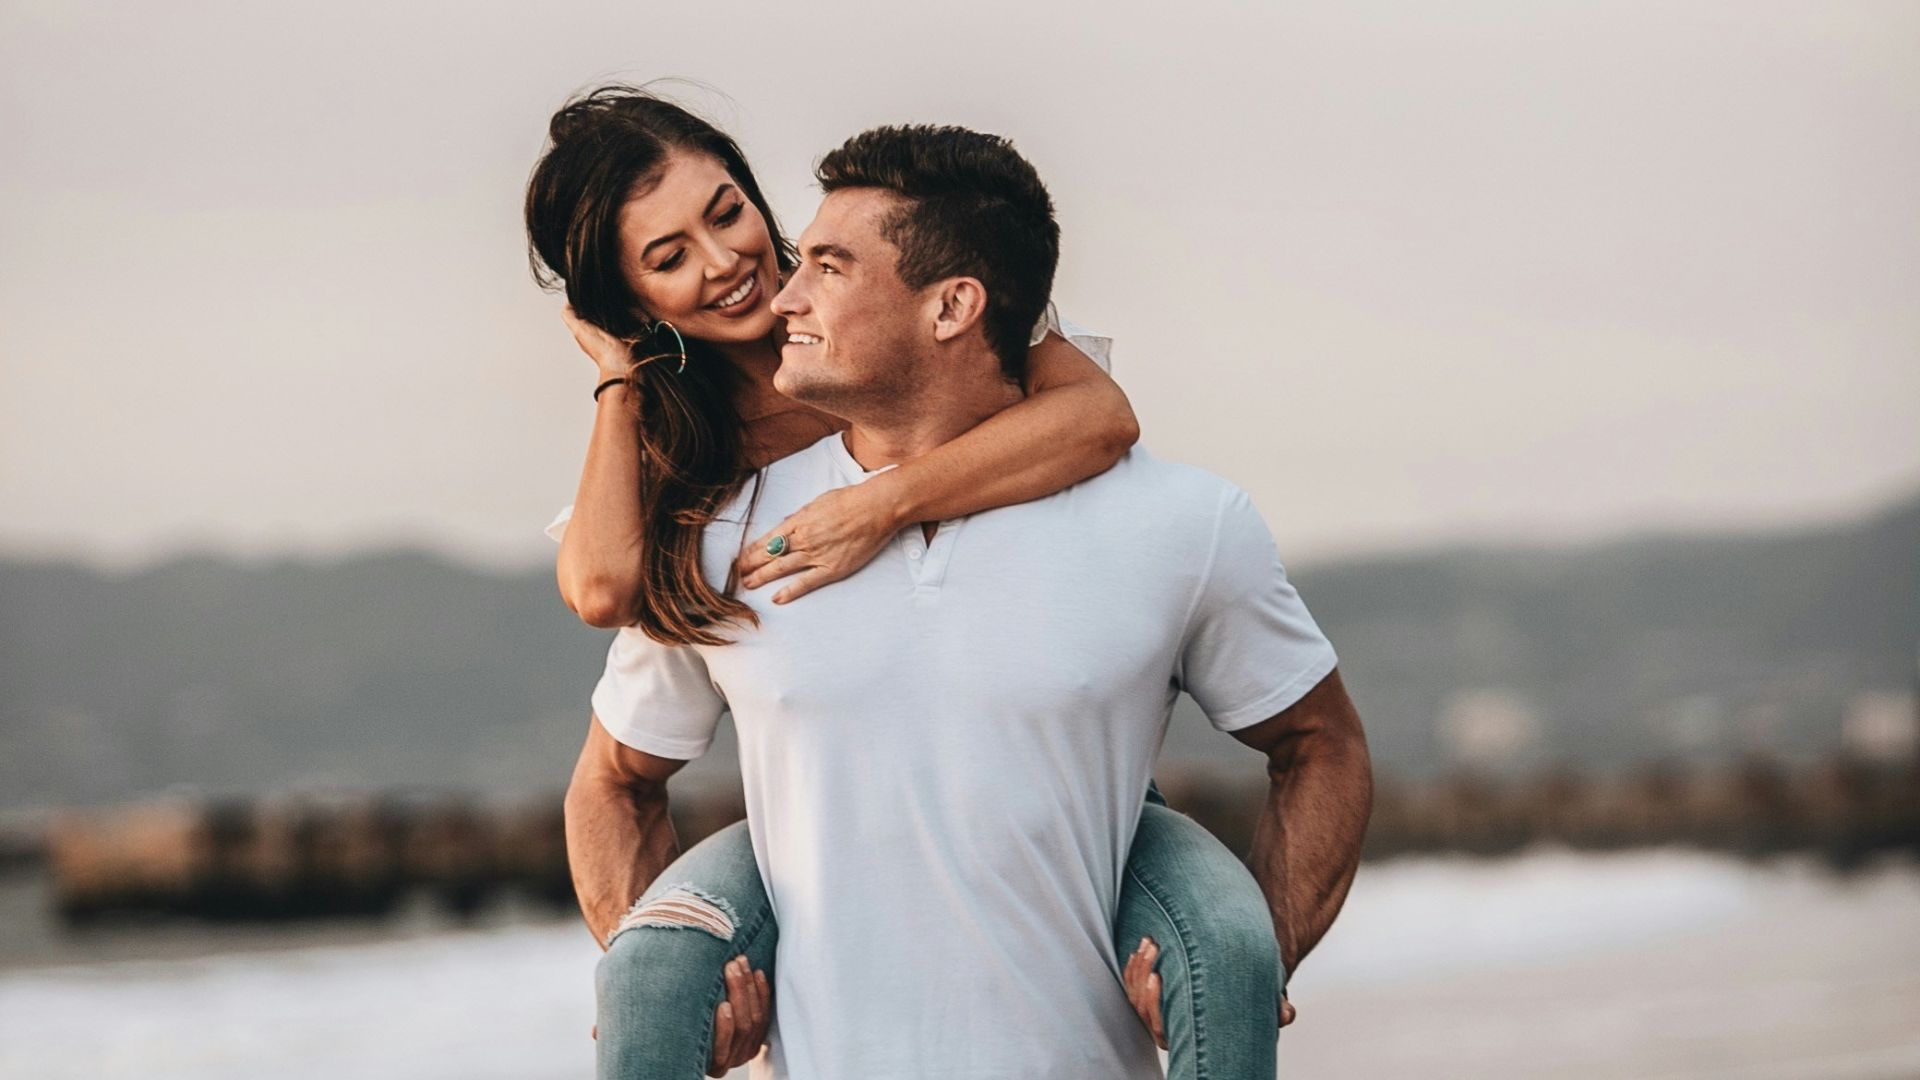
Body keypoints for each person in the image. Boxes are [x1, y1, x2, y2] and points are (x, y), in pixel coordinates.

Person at [525, 89, 1358, 1079]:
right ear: (632, 301)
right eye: (668, 258)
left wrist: (877, 504)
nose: (728, 262)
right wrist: (620, 375)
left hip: (1064, 784)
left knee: (1228, 953)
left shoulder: (897, 294)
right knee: (652, 971)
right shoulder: (699, 478)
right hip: (822, 795)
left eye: (727, 211)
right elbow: (603, 593)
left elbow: (1099, 419)